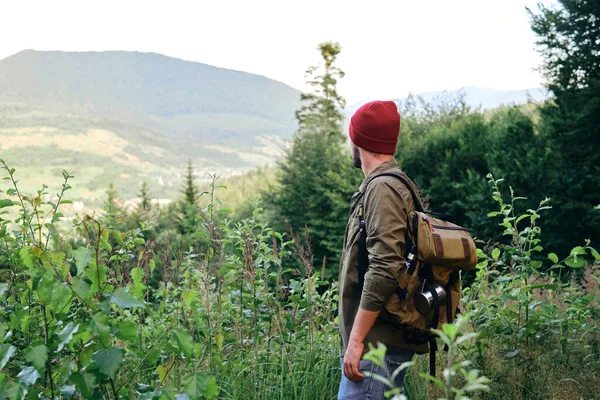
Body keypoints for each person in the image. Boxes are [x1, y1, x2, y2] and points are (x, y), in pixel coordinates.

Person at [338, 100, 427, 399]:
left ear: (360, 140)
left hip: (377, 347)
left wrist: (356, 340)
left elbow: (385, 266)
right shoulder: (391, 184)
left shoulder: (382, 189)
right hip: (381, 342)